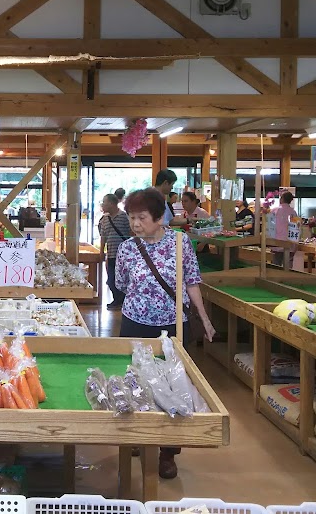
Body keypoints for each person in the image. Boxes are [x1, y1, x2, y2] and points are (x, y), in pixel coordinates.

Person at [115, 188, 215, 480]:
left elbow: (192, 282)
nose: (135, 224)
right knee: (135, 382)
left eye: (141, 218)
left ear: (159, 218)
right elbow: (121, 283)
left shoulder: (180, 243)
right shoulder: (127, 248)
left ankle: (168, 452)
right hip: (134, 323)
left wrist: (205, 318)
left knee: (174, 386)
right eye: (132, 217)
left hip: (172, 326)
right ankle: (137, 435)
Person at [98, 194, 131, 310]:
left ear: (112, 204)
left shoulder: (124, 217)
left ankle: (121, 300)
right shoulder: (105, 220)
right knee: (111, 279)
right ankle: (117, 300)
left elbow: (131, 233)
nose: (102, 205)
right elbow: (103, 236)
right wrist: (101, 251)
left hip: (125, 256)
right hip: (111, 254)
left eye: (104, 202)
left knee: (123, 278)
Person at [272, 191, 297, 268]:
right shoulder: (293, 212)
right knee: (288, 268)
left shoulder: (275, 210)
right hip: (290, 243)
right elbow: (296, 229)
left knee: (276, 267)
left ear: (281, 199)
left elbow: (270, 227)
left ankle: (275, 280)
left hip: (277, 242)